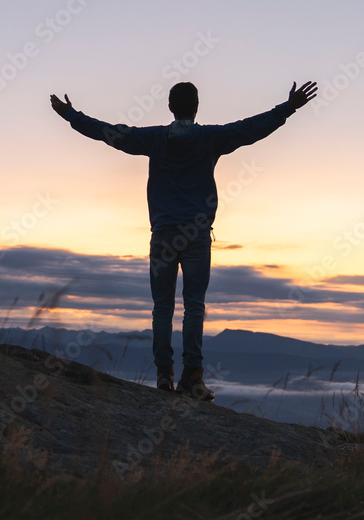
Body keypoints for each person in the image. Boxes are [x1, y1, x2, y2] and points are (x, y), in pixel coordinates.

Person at [50, 81, 317, 400]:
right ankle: (192, 378)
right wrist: (288, 107)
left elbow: (110, 133)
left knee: (162, 307)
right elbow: (251, 128)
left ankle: (164, 375)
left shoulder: (153, 138)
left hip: (163, 233)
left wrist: (71, 115)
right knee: (194, 306)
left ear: (170, 106)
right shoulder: (211, 138)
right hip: (196, 236)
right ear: (196, 106)